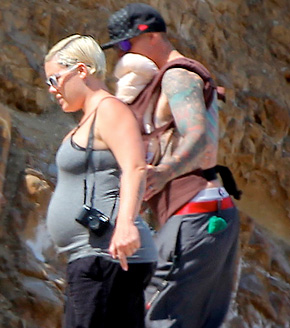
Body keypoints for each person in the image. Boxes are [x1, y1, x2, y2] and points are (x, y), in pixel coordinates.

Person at [101, 3, 240, 328]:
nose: (122, 55)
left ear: (149, 36)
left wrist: (164, 172)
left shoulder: (177, 76)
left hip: (196, 211)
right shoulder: (160, 80)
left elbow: (199, 137)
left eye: (124, 45)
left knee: (159, 318)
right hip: (201, 215)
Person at [44, 34, 158, 328]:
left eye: (54, 79)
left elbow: (135, 167)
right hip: (92, 258)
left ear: (81, 71)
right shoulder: (89, 119)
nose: (52, 89)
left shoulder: (110, 110)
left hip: (106, 256)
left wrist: (125, 225)